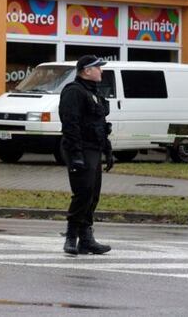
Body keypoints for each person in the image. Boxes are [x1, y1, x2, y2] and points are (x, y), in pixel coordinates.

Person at [59, 55, 113, 256]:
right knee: (83, 193)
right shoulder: (74, 92)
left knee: (93, 194)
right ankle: (71, 237)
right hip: (80, 149)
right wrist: (76, 155)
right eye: (98, 68)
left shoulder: (94, 93)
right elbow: (70, 125)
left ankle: (86, 239)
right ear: (86, 71)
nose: (101, 71)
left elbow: (100, 125)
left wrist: (107, 151)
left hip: (94, 149)